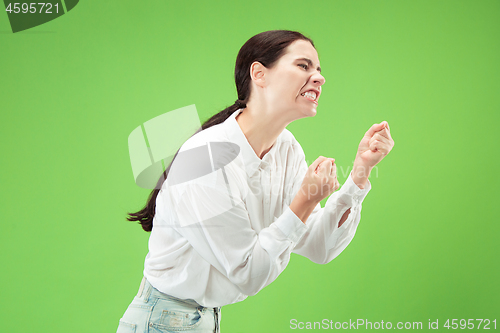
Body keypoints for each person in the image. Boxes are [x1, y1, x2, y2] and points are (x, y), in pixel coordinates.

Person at [117, 30, 394, 333]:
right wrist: (304, 200)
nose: (319, 77)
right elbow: (248, 273)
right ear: (259, 74)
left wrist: (360, 173)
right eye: (304, 66)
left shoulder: (286, 148)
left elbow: (320, 246)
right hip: (163, 321)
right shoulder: (204, 159)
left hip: (204, 319)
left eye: (318, 69)